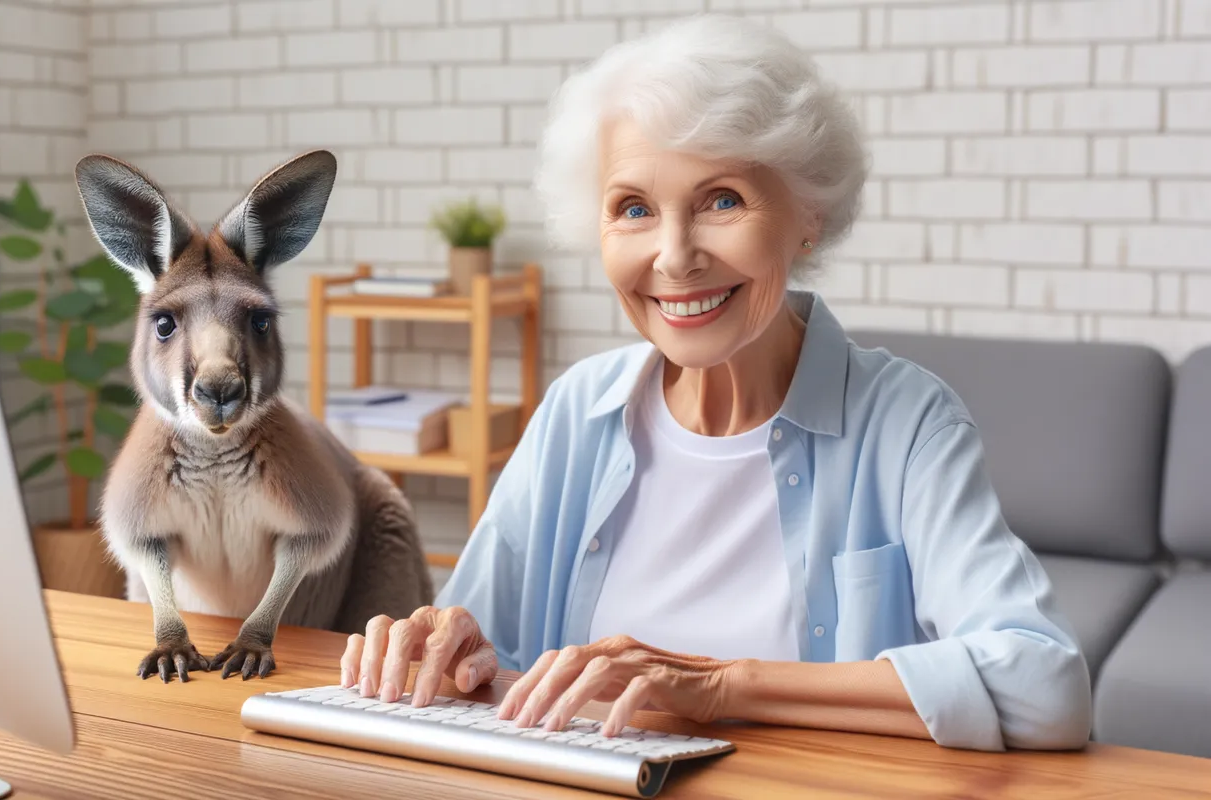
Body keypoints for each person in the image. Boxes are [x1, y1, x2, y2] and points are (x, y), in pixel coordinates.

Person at [338, 13, 1092, 752]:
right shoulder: (579, 410)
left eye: (721, 199)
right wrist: (446, 645)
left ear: (809, 214)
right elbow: (484, 652)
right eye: (633, 208)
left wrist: (720, 685)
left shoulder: (907, 423)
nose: (673, 257)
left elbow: (1045, 685)